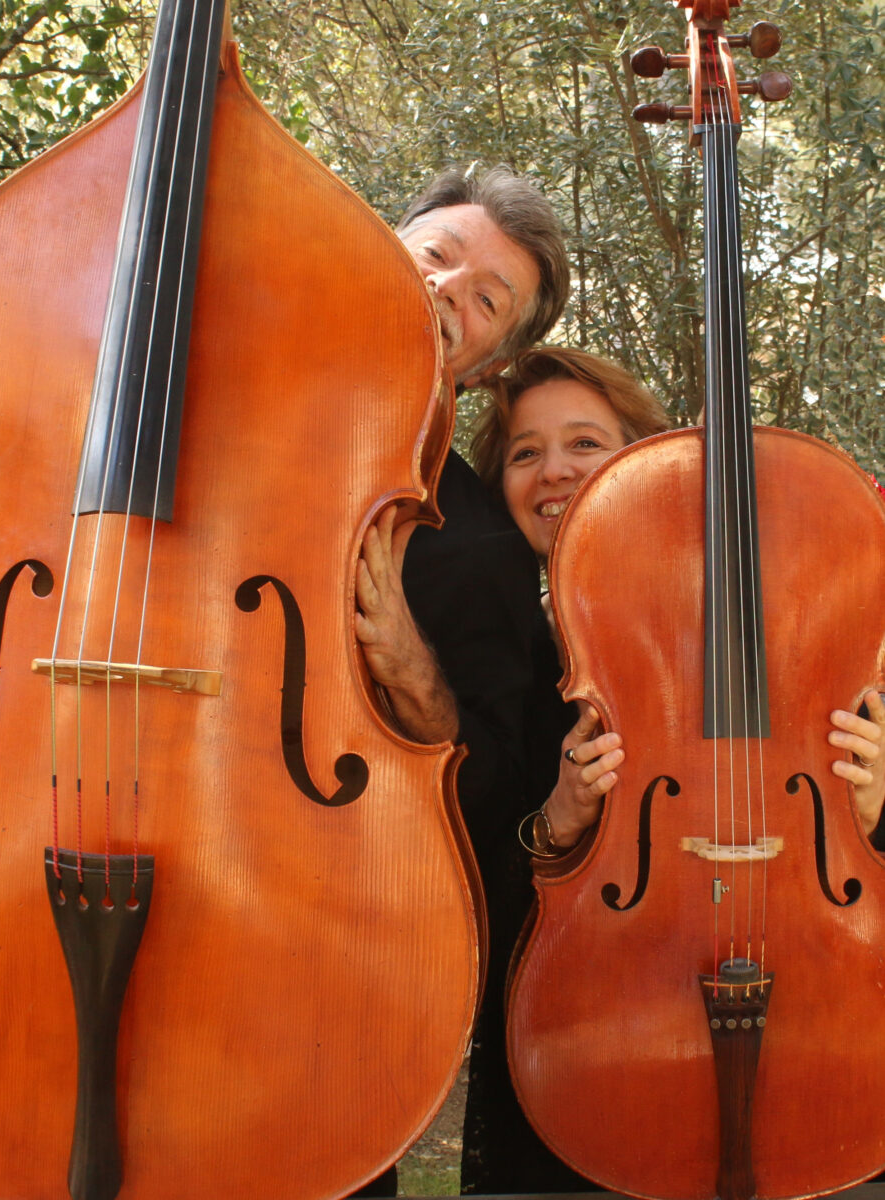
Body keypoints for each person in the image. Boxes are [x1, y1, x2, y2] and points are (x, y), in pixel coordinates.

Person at [459, 344, 885, 1193]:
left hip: (817, 983)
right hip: (589, 1032)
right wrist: (557, 826)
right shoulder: (488, 651)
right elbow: (467, 899)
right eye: (523, 452)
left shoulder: (785, 620)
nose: (555, 472)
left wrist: (874, 807)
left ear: (641, 460)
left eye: (586, 442)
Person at [351, 164, 570, 1197]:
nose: (447, 291)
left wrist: (413, 676)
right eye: (435, 255)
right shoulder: (192, 377)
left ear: (485, 363)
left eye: (486, 299)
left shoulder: (474, 546)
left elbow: (488, 795)